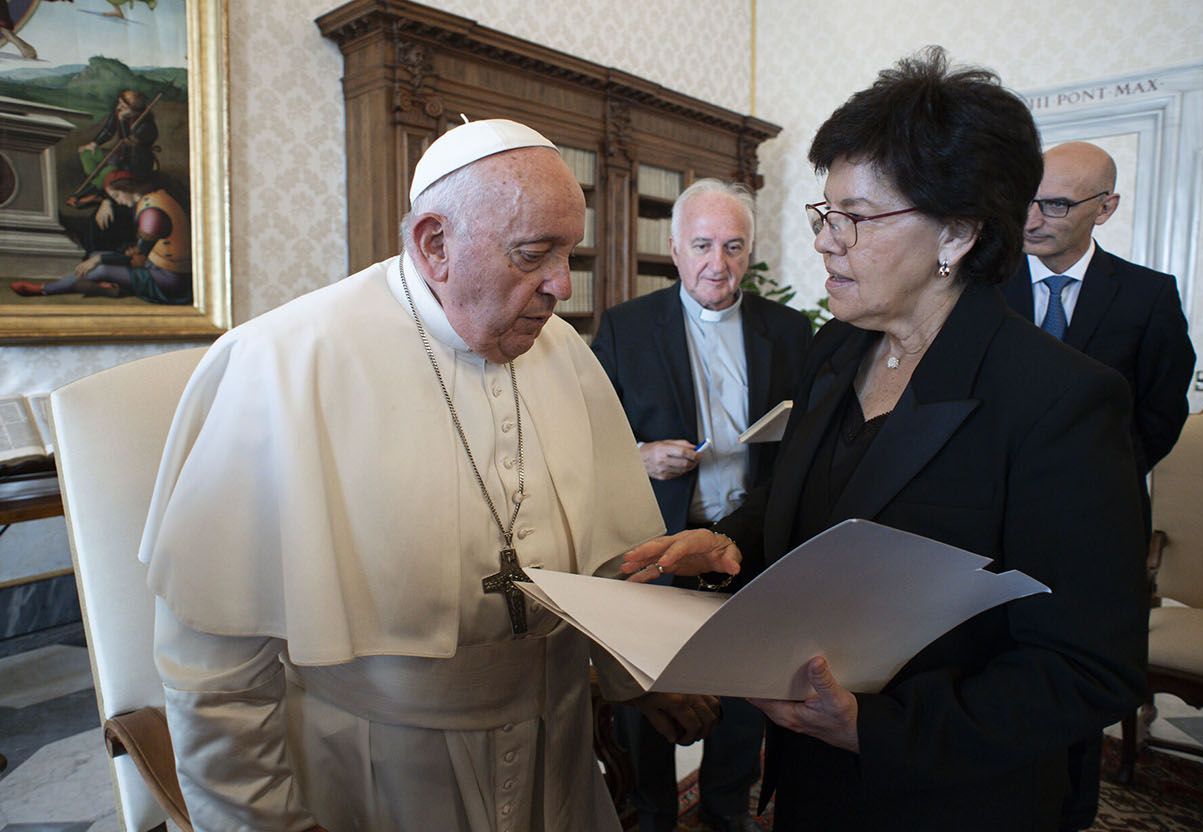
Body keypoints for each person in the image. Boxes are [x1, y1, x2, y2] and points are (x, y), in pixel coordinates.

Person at [137, 119, 720, 832]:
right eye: (535, 254)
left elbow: (606, 552)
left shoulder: (564, 353)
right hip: (378, 770)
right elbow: (216, 664)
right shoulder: (284, 363)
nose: (562, 287)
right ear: (434, 244)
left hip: (557, 747)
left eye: (569, 253)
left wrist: (636, 680)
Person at [623, 48, 1148, 832]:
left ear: (959, 233)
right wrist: (730, 546)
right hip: (810, 780)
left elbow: (1087, 666)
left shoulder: (1059, 401)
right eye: (824, 212)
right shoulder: (838, 350)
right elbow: (816, 507)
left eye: (856, 217)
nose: (826, 242)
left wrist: (875, 726)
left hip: (951, 799)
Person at [591, 179, 812, 832]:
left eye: (734, 246)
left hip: (753, 550)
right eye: (704, 245)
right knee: (653, 712)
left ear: (750, 251)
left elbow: (808, 442)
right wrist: (639, 456)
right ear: (675, 248)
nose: (719, 263)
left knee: (744, 709)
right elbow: (583, 437)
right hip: (660, 546)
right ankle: (655, 818)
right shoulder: (627, 327)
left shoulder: (791, 331)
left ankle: (724, 816)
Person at [1004, 141, 1196, 525]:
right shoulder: (981, 287)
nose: (1031, 220)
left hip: (1102, 507)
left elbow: (1163, 409)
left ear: (1105, 208)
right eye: (1025, 201)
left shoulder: (1148, 294)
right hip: (995, 504)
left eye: (1056, 205)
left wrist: (1110, 470)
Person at [13, 170, 191, 303]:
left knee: (100, 268)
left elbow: (138, 260)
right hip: (157, 267)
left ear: (127, 188)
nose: (118, 201)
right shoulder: (153, 198)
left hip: (169, 280)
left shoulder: (151, 213)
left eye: (116, 195)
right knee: (94, 257)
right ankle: (112, 286)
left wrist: (99, 259)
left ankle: (43, 289)